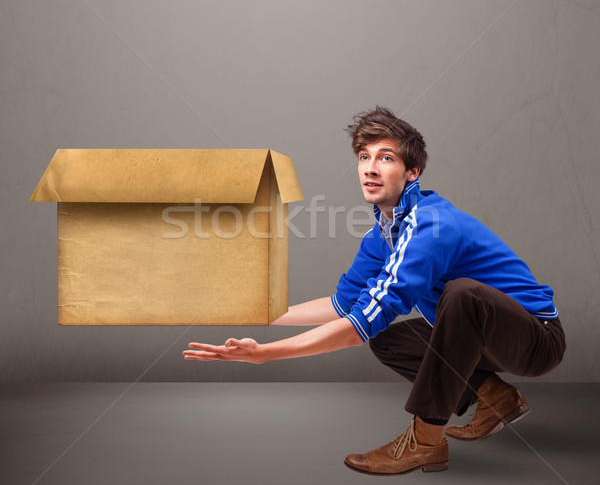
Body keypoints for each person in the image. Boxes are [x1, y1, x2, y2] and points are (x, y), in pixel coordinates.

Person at [182, 106, 566, 476]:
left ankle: (426, 440)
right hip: (482, 341)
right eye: (364, 157)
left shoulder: (431, 226)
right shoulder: (382, 233)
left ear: (412, 171)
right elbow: (344, 305)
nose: (370, 167)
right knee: (390, 339)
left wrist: (266, 354)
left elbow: (356, 327)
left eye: (385, 158)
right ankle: (495, 397)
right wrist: (258, 313)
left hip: (534, 340)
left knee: (462, 294)